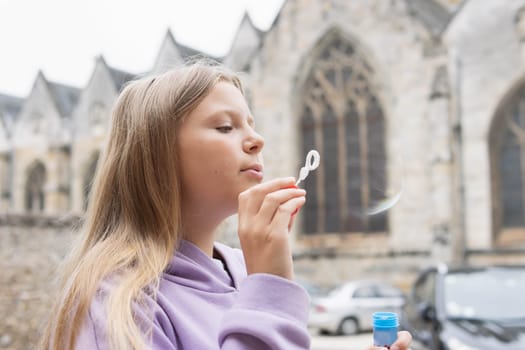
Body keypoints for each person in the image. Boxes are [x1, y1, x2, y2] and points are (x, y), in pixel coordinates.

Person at [39, 60, 412, 350]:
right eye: (225, 127)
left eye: (251, 124)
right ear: (156, 156)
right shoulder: (116, 303)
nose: (257, 140)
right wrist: (270, 288)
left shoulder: (240, 267)